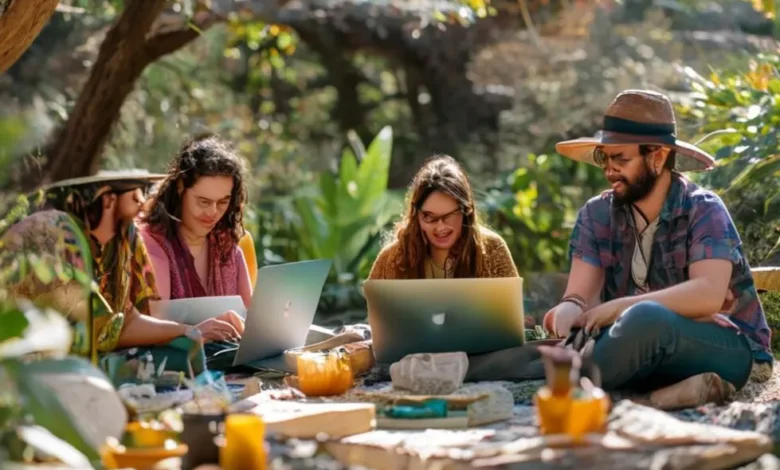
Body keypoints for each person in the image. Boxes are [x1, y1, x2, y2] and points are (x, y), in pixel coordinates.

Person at [544, 89, 772, 409]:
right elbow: (579, 296)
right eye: (604, 158)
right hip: (639, 344)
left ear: (658, 157)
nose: (609, 170)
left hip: (723, 348)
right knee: (613, 332)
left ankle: (571, 379)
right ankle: (657, 398)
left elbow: (708, 295)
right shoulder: (596, 214)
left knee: (645, 317)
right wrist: (569, 312)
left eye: (621, 159)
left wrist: (618, 308)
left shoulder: (703, 208)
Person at [0, 171, 236, 377]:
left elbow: (129, 319)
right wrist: (187, 332)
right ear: (107, 200)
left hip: (82, 355)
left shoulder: (123, 236)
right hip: (26, 366)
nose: (142, 203)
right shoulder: (56, 233)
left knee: (183, 356)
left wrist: (190, 331)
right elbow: (100, 328)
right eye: (134, 197)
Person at [369, 154, 518, 280]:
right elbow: (375, 305)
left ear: (466, 211)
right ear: (415, 214)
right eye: (429, 217)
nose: (440, 227)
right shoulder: (393, 258)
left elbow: (511, 305)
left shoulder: (493, 249)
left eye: (448, 216)